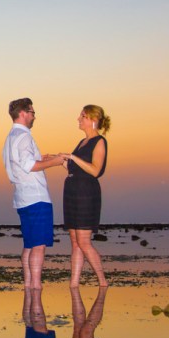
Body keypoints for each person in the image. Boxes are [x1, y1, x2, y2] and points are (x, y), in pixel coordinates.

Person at [3, 98, 65, 289]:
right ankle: (36, 287)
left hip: (22, 197)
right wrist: (56, 162)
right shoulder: (24, 137)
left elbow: (21, 163)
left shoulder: (10, 137)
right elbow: (30, 165)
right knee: (38, 245)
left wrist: (43, 158)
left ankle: (29, 285)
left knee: (29, 244)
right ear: (23, 113)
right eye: (32, 112)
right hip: (36, 197)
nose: (34, 116)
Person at [59, 105, 110, 288]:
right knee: (74, 241)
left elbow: (95, 170)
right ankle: (74, 283)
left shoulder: (99, 141)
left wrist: (74, 157)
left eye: (82, 116)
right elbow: (77, 168)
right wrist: (64, 161)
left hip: (86, 193)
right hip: (72, 191)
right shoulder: (82, 142)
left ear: (93, 119)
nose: (78, 119)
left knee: (83, 241)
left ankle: (102, 281)